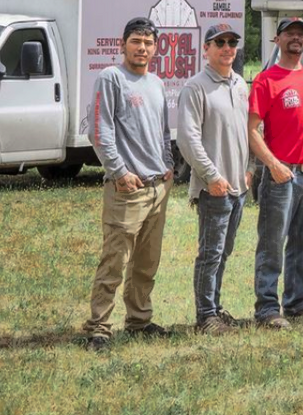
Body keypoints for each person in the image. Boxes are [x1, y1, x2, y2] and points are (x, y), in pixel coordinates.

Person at [83, 17, 175, 351]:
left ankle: (139, 320)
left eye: (149, 43)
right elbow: (99, 130)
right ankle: (99, 327)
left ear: (155, 48)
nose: (142, 48)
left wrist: (168, 165)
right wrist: (120, 172)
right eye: (136, 41)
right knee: (115, 261)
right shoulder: (111, 78)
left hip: (156, 188)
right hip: (127, 189)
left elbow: (163, 132)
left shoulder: (157, 84)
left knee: (147, 262)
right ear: (123, 44)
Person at [247, 17, 303, 330]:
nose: (296, 39)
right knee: (272, 243)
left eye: (301, 35)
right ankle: (267, 308)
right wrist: (273, 165)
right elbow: (252, 130)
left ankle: (297, 302)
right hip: (280, 177)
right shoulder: (266, 80)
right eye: (289, 34)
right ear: (277, 40)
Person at [180, 21, 251, 335]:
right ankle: (205, 316)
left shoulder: (240, 84)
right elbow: (188, 138)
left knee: (224, 251)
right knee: (210, 253)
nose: (226, 48)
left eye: (231, 43)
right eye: (219, 42)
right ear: (206, 49)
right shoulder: (196, 87)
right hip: (215, 188)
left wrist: (250, 170)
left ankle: (215, 309)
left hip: (238, 187)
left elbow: (247, 133)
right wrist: (211, 176)